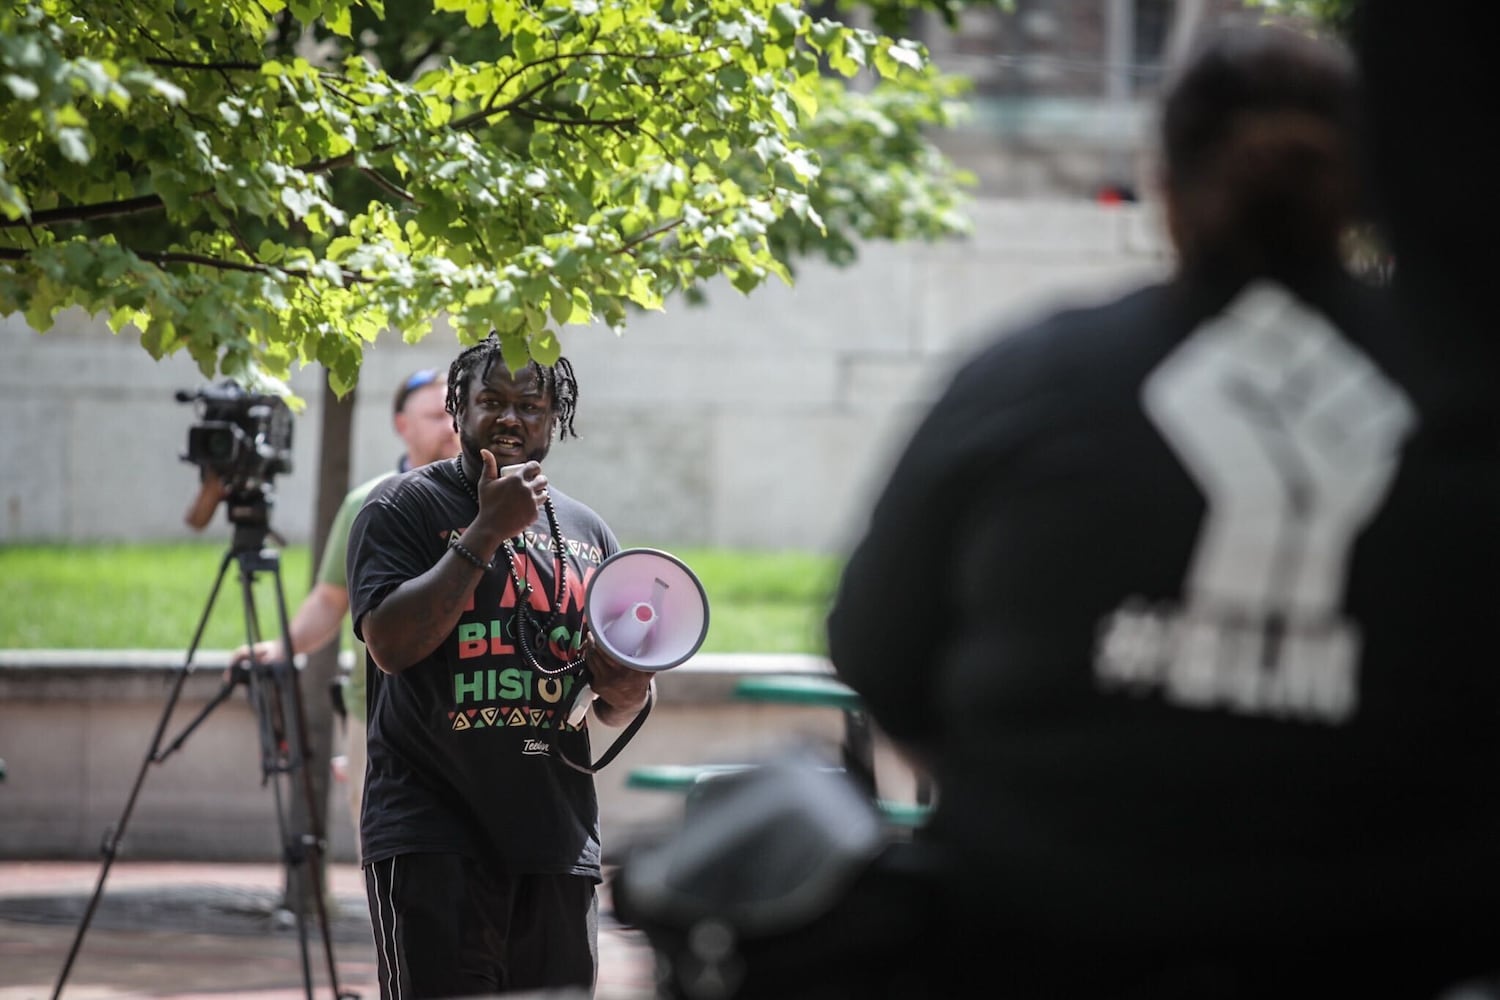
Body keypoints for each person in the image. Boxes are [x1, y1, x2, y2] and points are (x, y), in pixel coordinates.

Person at [824, 23, 1500, 1000]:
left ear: (1164, 181)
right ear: (1362, 186)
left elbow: (874, 647)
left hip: (1039, 940)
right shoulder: (1461, 395)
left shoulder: (1031, 378)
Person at [345, 335, 652, 998]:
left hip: (555, 840)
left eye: (529, 405)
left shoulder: (589, 532)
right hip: (432, 837)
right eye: (490, 401)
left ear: (554, 419)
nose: (510, 418)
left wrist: (628, 689)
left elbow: (614, 702)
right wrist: (485, 531)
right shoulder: (400, 509)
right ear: (457, 409)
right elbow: (391, 645)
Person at [234, 367, 460, 849]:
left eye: (456, 414)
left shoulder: (493, 503)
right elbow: (331, 599)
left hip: (472, 709)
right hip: (377, 715)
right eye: (438, 415)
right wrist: (282, 648)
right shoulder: (369, 502)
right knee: (391, 858)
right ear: (402, 425)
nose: (451, 427)